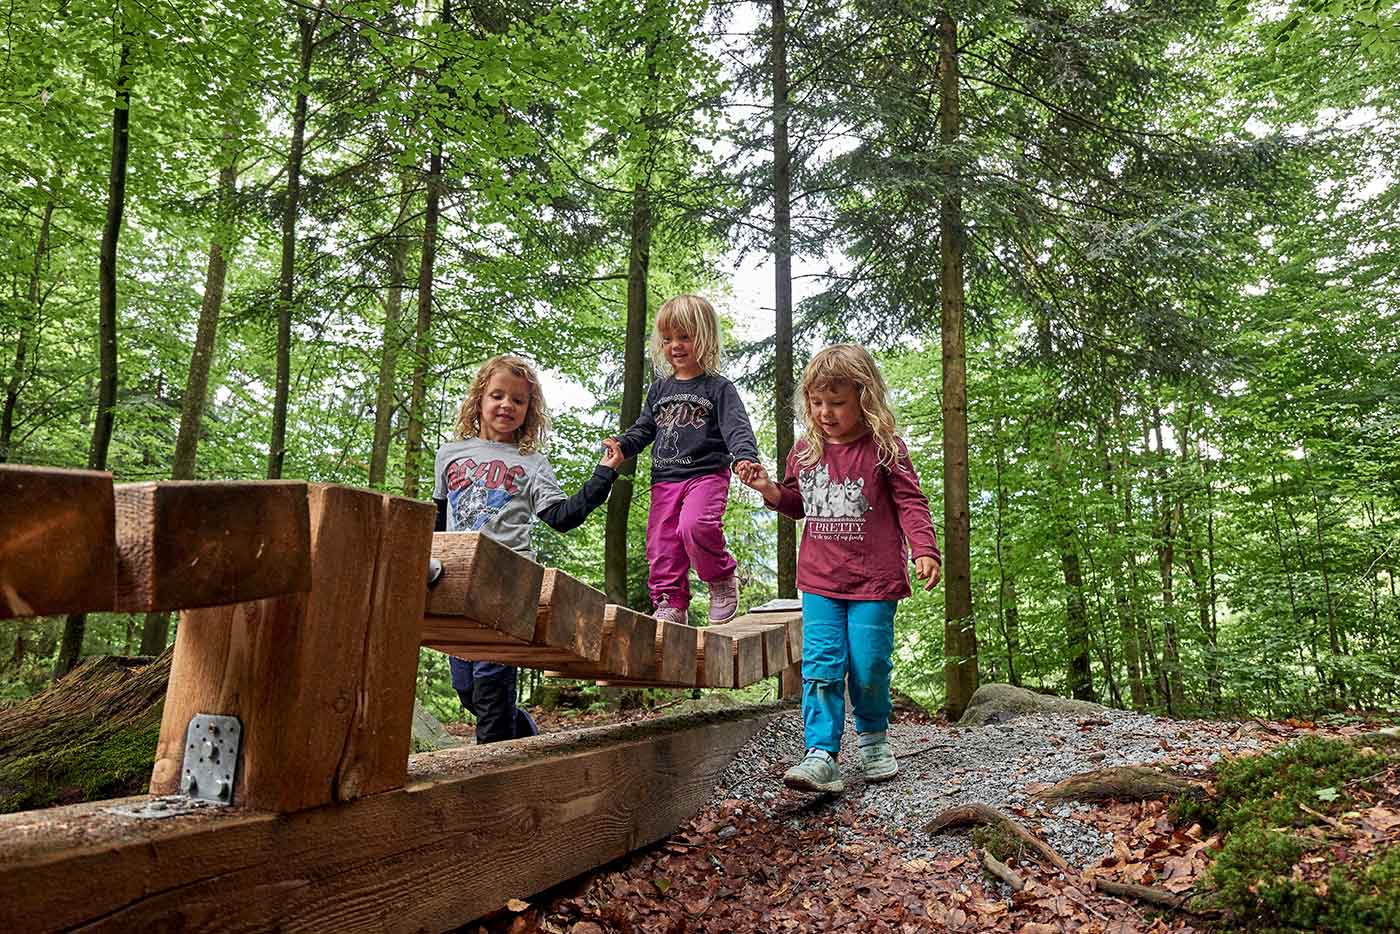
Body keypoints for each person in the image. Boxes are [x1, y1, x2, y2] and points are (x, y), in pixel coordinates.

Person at [736, 344, 941, 794]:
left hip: (874, 580)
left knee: (868, 665)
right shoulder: (806, 450)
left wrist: (924, 548)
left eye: (838, 403)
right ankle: (821, 753)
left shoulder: (885, 449)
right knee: (823, 665)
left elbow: (911, 502)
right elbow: (796, 504)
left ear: (863, 398)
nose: (826, 412)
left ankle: (873, 738)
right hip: (820, 580)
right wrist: (769, 488)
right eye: (817, 402)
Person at [433, 353, 623, 743]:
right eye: (497, 396)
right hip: (458, 585)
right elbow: (438, 520)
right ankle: (528, 738)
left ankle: (490, 777)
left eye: (518, 400)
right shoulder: (449, 455)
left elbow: (562, 516)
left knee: (491, 686)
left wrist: (604, 475)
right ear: (479, 401)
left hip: (509, 585)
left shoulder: (532, 463)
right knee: (467, 689)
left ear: (529, 411)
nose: (506, 405)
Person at [602, 294, 760, 625]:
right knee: (662, 542)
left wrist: (745, 457)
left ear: (704, 338)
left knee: (695, 525)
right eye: (668, 338)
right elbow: (644, 429)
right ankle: (671, 600)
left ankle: (720, 578)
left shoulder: (718, 388)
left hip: (706, 475)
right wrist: (622, 445)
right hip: (665, 479)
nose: (675, 345)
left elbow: (737, 428)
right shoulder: (659, 390)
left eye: (685, 337)